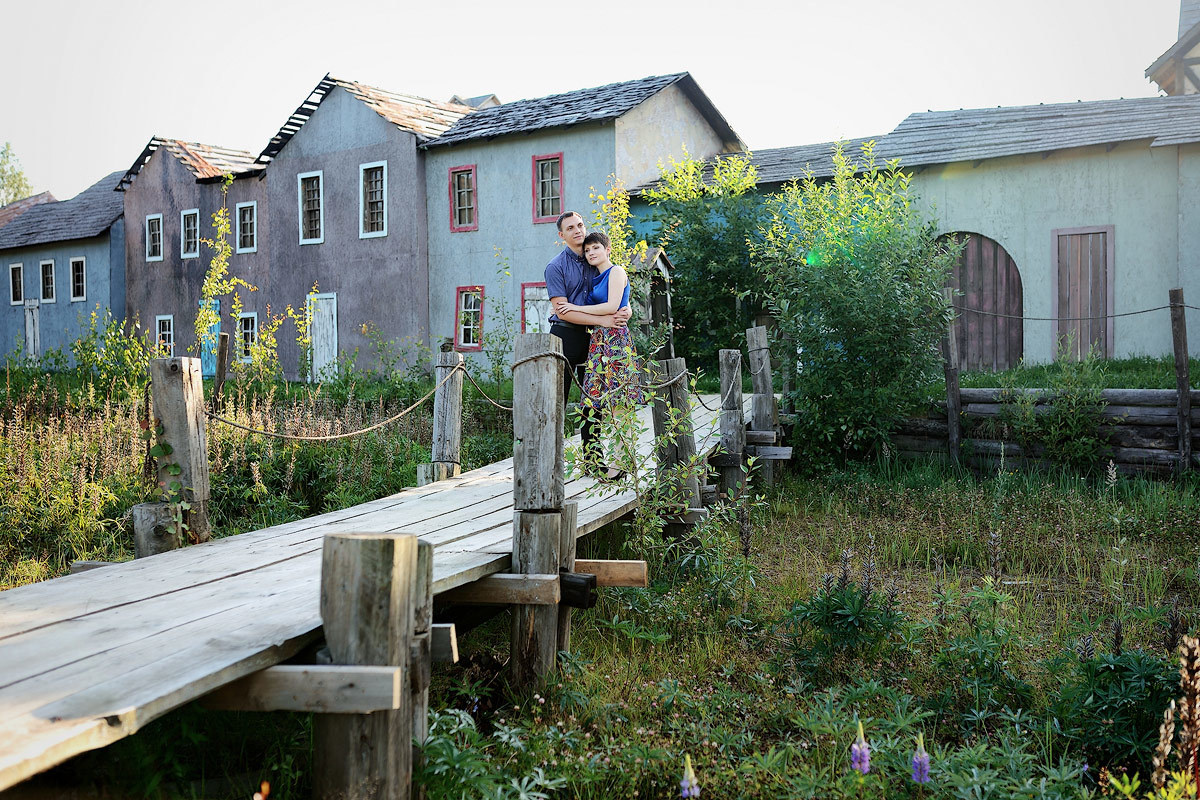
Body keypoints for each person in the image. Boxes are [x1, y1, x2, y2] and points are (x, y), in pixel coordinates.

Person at [545, 211, 631, 472]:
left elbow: (615, 291)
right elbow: (562, 310)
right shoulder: (556, 267)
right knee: (556, 400)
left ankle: (594, 460)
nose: (577, 230)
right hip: (565, 336)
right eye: (570, 228)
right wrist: (606, 320)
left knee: (592, 400)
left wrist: (627, 310)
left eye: (580, 225)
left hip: (594, 340)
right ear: (562, 235)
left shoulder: (594, 258)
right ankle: (551, 461)